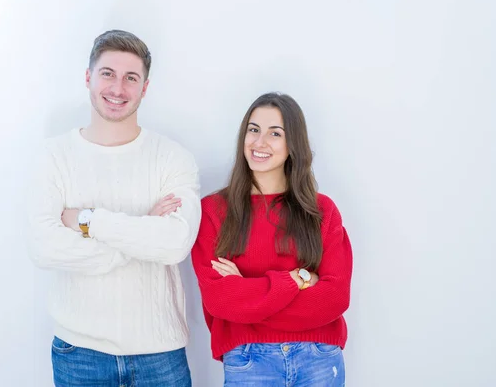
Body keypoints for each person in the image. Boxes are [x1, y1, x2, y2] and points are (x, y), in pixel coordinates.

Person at [27, 29, 200, 387]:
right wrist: (140, 233)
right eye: (108, 74)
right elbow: (44, 247)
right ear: (89, 77)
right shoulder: (53, 156)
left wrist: (87, 220)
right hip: (80, 354)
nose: (118, 88)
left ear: (145, 88)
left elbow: (173, 244)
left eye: (130, 78)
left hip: (160, 355)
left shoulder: (173, 158)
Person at [191, 92, 353, 386]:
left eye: (275, 133)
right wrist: (297, 279)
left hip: (318, 359)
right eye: (253, 130)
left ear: (293, 145)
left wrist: (248, 296)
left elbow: (334, 298)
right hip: (248, 361)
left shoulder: (322, 211)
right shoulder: (214, 212)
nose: (259, 142)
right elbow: (220, 300)